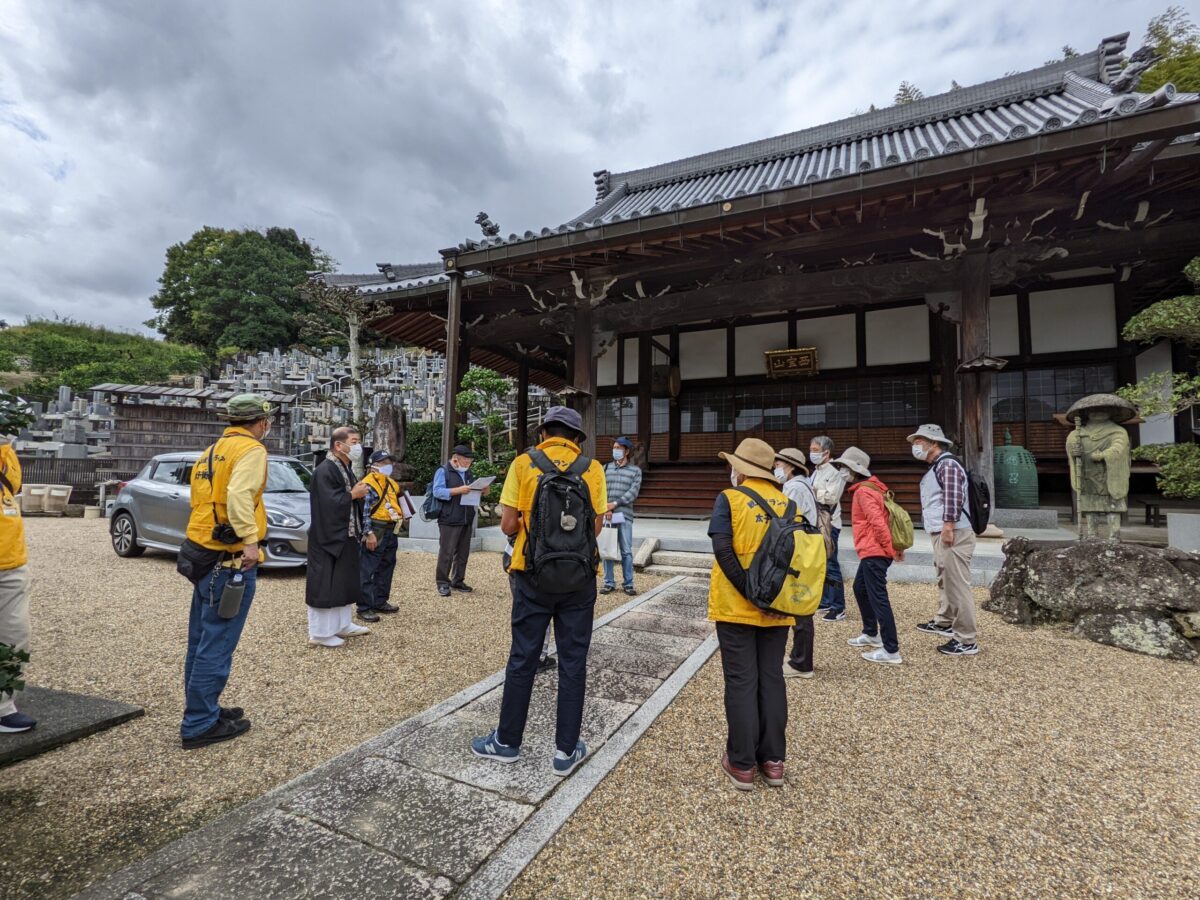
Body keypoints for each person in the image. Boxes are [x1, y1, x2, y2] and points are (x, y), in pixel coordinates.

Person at [470, 406, 607, 777]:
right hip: (580, 579)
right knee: (573, 661)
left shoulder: (523, 464)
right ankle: (565, 751)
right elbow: (594, 528)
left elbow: (508, 523)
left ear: (544, 432)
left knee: (523, 657)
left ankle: (507, 743)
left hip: (532, 575)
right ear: (577, 437)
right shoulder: (593, 469)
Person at [177, 394, 272, 749]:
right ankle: (199, 723)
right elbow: (238, 495)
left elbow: (200, 497)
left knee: (200, 639)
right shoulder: (251, 450)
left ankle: (204, 709)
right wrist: (250, 539)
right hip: (228, 557)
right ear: (261, 422)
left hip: (201, 550)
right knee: (217, 642)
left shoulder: (212, 450)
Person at [709, 438, 796, 790]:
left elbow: (721, 548)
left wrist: (749, 590)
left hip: (736, 606)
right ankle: (773, 761)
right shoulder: (789, 504)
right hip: (780, 605)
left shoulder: (729, 499)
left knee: (741, 680)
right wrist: (767, 596)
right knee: (772, 677)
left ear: (740, 469)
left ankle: (742, 763)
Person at [908, 424, 979, 657]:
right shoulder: (938, 466)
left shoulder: (947, 464)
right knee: (945, 577)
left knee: (957, 583)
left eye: (919, 441)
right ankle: (945, 620)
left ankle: (966, 639)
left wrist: (948, 525)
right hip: (943, 531)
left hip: (953, 532)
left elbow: (953, 496)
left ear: (934, 443)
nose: (915, 446)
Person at [832, 447, 903, 666]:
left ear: (855, 469)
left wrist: (889, 548)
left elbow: (877, 522)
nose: (842, 471)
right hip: (872, 550)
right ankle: (871, 632)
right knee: (860, 589)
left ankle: (891, 649)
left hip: (875, 550)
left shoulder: (863, 491)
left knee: (877, 597)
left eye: (844, 467)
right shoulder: (875, 487)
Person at [306, 426, 372, 648]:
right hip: (328, 536)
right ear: (338, 445)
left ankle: (342, 624)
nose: (357, 446)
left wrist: (358, 492)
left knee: (344, 581)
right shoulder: (325, 469)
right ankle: (321, 633)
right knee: (325, 583)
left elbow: (346, 496)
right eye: (353, 441)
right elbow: (327, 503)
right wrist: (354, 494)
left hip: (347, 533)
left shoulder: (345, 466)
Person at [774, 447, 818, 681]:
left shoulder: (794, 488)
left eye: (779, 464)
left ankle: (801, 662)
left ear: (790, 466)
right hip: (805, 547)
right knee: (799, 604)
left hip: (798, 549)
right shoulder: (803, 485)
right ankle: (798, 658)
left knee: (798, 605)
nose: (776, 468)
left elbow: (786, 520)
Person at [0, 436, 34, 734]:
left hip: (11, 561)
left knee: (16, 637)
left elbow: (14, 486)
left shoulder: (7, 450)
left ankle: (3, 706)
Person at [357, 450, 403, 623]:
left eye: (389, 463)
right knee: (368, 569)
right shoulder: (368, 484)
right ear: (373, 465)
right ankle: (364, 607)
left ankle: (380, 601)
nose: (388, 467)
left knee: (387, 565)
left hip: (392, 528)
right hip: (376, 528)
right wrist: (368, 533)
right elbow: (365, 512)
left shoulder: (391, 483)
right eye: (384, 463)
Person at [432, 444, 479, 598]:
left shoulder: (468, 472)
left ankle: (458, 580)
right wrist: (457, 490)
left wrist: (482, 489)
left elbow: (472, 490)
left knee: (463, 552)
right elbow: (437, 491)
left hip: (466, 516)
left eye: (470, 461)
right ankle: (442, 582)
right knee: (447, 551)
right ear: (455, 459)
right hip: (449, 518)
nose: (468, 464)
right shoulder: (443, 471)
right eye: (466, 460)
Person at [809, 435, 847, 623]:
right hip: (818, 521)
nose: (812, 453)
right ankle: (825, 601)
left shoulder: (835, 471)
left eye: (815, 450)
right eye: (812, 450)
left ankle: (838, 606)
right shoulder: (816, 471)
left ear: (826, 452)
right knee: (821, 563)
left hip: (830, 522)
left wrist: (814, 492)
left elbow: (831, 497)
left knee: (831, 563)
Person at [601, 436, 643, 597]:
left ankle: (628, 583)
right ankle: (608, 582)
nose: (615, 450)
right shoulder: (605, 468)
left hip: (624, 515)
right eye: (614, 448)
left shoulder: (635, 471)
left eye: (618, 448)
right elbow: (601, 490)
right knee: (607, 549)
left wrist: (615, 504)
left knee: (626, 550)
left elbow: (633, 493)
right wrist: (606, 508)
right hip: (607, 515)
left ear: (626, 451)